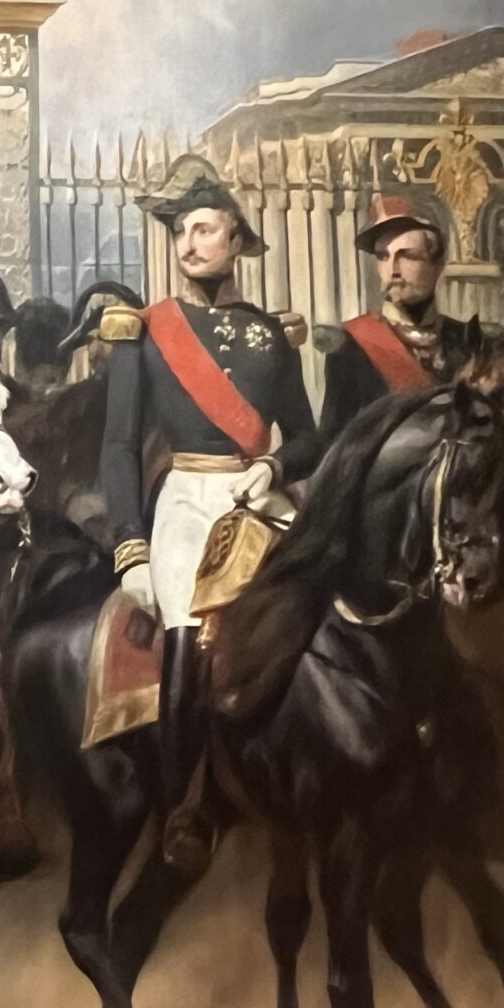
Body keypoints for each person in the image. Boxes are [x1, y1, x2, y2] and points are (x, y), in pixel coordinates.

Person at [99, 162, 323, 873]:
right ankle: (185, 807)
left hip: (260, 496)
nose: (189, 245)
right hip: (187, 503)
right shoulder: (146, 332)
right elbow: (118, 447)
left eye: (203, 230)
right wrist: (131, 546)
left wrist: (274, 467)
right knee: (189, 632)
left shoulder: (270, 335)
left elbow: (308, 436)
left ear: (236, 238)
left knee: (328, 610)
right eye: (180, 234)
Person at [319, 196, 473, 434]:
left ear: (437, 264)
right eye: (383, 256)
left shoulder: (467, 341)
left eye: (407, 256)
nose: (392, 269)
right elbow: (335, 445)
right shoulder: (351, 345)